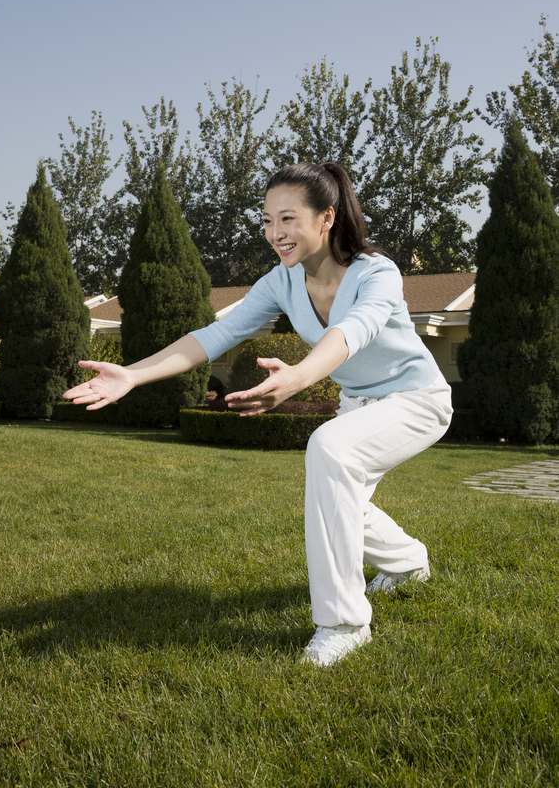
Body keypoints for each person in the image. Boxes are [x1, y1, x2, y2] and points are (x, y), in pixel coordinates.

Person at [64, 162, 452, 667]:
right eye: (267, 220)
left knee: (329, 450)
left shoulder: (376, 272)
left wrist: (298, 377)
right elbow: (215, 335)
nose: (275, 233)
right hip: (359, 402)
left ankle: (344, 624)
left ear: (326, 217)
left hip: (416, 399)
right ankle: (406, 562)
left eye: (287, 218)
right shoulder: (280, 281)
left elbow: (354, 330)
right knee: (339, 499)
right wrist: (133, 375)